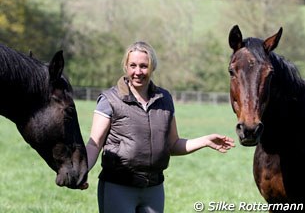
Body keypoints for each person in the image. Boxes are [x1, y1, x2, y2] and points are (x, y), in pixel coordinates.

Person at [84, 41, 235, 213]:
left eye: (144, 66)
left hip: (154, 189)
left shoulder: (164, 99)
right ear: (125, 67)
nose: (138, 72)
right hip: (118, 187)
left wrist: (205, 141)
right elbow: (94, 144)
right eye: (133, 65)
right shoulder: (110, 99)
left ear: (152, 67)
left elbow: (173, 144)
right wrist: (82, 172)